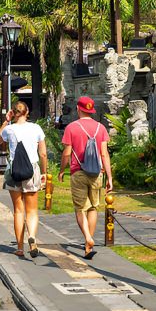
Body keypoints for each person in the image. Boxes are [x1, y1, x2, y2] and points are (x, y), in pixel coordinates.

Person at [61, 96, 113, 259]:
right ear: (91, 111)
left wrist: (62, 170)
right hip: (96, 173)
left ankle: (88, 238)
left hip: (78, 172)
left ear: (78, 108)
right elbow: (104, 154)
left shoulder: (71, 128)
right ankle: (88, 247)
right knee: (93, 208)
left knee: (80, 208)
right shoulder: (101, 128)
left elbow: (67, 153)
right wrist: (109, 177)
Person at [0, 101, 49, 258]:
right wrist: (44, 172)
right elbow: (43, 153)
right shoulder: (36, 128)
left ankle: (19, 247)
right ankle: (32, 236)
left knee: (18, 210)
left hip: (13, 171)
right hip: (31, 169)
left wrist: (6, 121)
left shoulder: (10, 129)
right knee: (32, 210)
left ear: (14, 113)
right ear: (27, 112)